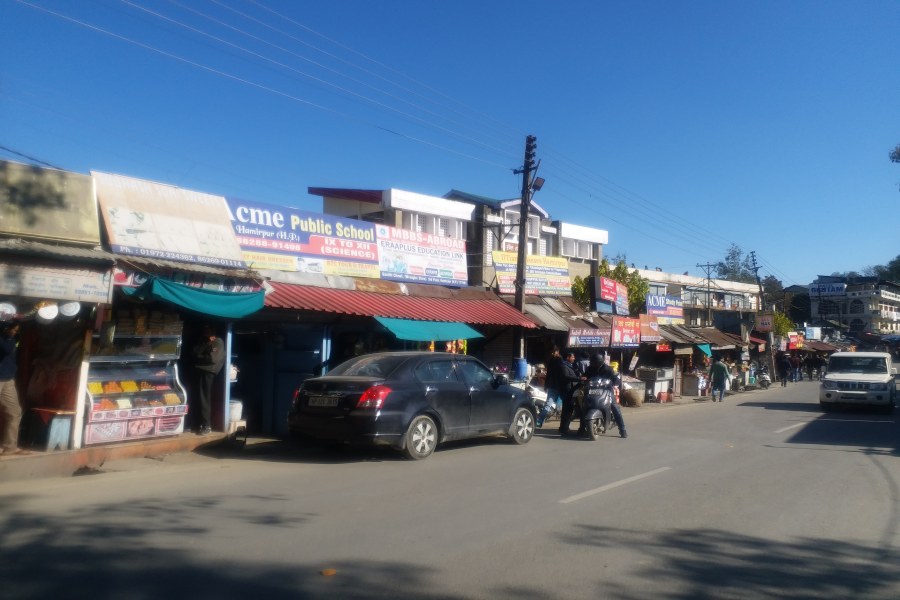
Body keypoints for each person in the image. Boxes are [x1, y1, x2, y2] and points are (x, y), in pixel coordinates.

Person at [0, 323, 29, 456]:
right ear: (5, 328)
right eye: (13, 330)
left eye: (17, 331)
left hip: (8, 379)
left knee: (14, 411)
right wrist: (11, 339)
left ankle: (9, 446)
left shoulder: (11, 338)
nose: (15, 333)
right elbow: (6, 349)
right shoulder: (6, 340)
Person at [192, 325, 226, 435]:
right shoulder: (205, 341)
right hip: (200, 370)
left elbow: (212, 358)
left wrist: (201, 356)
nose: (205, 330)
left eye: (208, 328)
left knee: (204, 398)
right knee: (198, 397)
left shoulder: (218, 342)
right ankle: (198, 423)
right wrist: (206, 347)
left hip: (209, 371)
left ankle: (206, 425)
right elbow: (195, 352)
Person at [584, 353, 628, 438]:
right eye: (592, 362)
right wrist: (583, 379)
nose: (592, 363)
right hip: (592, 390)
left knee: (615, 407)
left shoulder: (608, 369)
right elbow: (585, 377)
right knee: (584, 404)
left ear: (599, 362)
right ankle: (582, 427)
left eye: (594, 362)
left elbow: (616, 379)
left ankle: (622, 430)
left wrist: (615, 383)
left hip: (606, 390)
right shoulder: (589, 369)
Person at [557, 351, 585, 436]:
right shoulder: (563, 366)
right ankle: (564, 429)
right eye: (572, 357)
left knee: (568, 410)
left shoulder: (570, 366)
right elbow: (566, 377)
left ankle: (563, 428)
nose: (574, 359)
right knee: (567, 410)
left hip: (571, 390)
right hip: (567, 390)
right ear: (568, 357)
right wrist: (579, 378)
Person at [537, 347, 563, 427]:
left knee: (549, 404)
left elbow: (549, 375)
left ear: (557, 352)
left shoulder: (553, 361)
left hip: (553, 386)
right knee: (561, 406)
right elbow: (550, 375)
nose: (552, 353)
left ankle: (540, 421)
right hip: (558, 386)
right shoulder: (559, 361)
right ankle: (564, 425)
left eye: (553, 352)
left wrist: (546, 386)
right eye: (552, 352)